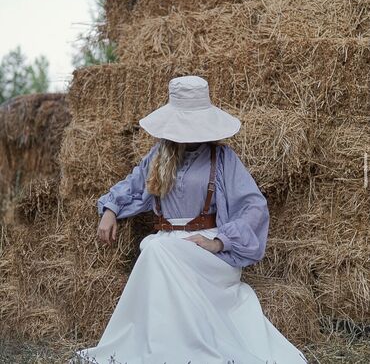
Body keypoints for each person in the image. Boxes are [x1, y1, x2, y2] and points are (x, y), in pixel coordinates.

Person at [70, 76, 308, 364]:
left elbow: (254, 207)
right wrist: (110, 210)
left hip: (205, 250)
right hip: (166, 244)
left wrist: (219, 241)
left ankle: (181, 352)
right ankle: (161, 351)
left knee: (153, 250)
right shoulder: (159, 155)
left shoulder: (222, 158)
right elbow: (132, 186)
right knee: (155, 249)